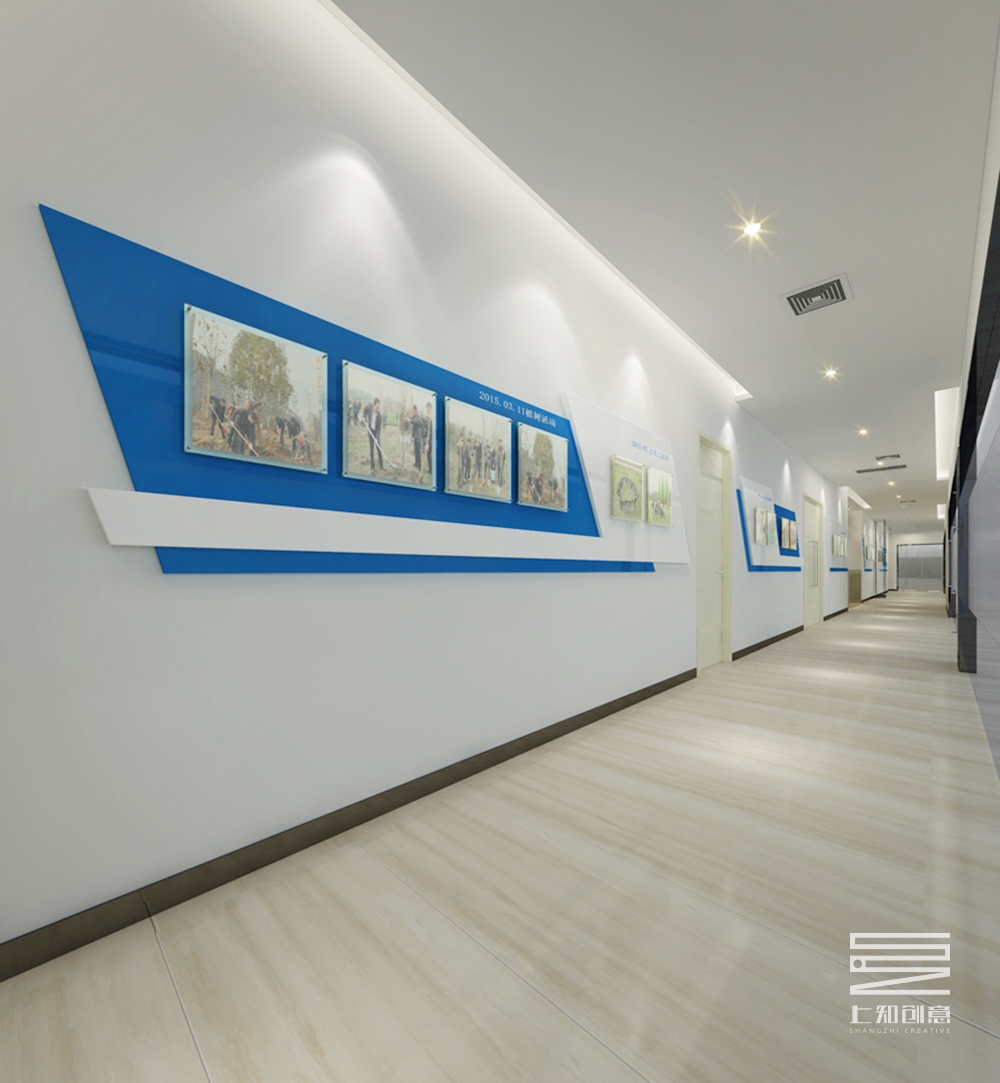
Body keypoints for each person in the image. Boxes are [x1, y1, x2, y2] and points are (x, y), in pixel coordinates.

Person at [364, 397, 382, 473]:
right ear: (374, 405)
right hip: (370, 431)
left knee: (379, 448)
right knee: (371, 450)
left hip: (376, 432)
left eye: (379, 407)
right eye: (377, 407)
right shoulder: (370, 407)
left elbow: (378, 429)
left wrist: (376, 438)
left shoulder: (379, 416)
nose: (378, 409)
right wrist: (364, 417)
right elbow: (365, 409)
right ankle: (372, 467)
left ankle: (381, 465)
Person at [409, 404, 423, 472]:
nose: (412, 411)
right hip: (415, 437)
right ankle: (416, 463)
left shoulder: (418, 418)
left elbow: (414, 421)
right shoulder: (414, 416)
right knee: (415, 451)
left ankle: (419, 466)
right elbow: (411, 418)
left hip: (418, 438)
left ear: (415, 410)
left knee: (418, 452)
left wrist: (409, 420)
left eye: (413, 410)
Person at [424, 402, 434, 477]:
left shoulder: (433, 417)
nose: (427, 410)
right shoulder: (428, 417)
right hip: (429, 438)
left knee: (430, 454)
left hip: (432, 439)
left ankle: (432, 469)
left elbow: (431, 430)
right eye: (426, 408)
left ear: (430, 408)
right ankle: (431, 469)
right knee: (428, 454)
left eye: (428, 408)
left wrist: (428, 443)